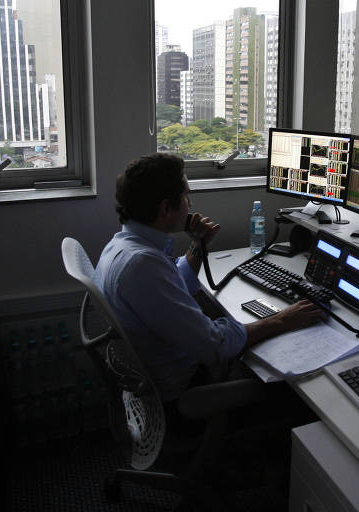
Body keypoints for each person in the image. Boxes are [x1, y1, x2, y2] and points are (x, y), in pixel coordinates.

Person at [93, 153, 324, 403]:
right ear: (165, 208)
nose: (189, 204)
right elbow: (215, 345)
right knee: (294, 385)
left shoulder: (122, 246)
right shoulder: (142, 265)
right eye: (185, 196)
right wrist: (282, 319)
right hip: (187, 389)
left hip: (159, 373)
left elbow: (171, 284)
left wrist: (197, 246)